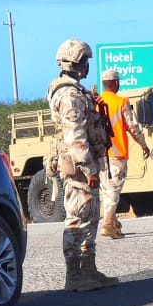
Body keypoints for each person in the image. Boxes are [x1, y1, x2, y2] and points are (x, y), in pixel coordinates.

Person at [48, 39, 117, 291]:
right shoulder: (69, 95)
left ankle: (89, 270)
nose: (87, 65)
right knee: (77, 218)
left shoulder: (77, 91)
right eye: (85, 61)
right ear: (75, 63)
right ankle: (74, 276)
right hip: (79, 167)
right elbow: (75, 134)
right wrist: (88, 168)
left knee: (90, 216)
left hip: (86, 163)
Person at [96, 68, 152, 240]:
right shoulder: (121, 102)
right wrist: (144, 145)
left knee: (106, 189)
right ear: (116, 83)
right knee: (114, 189)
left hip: (98, 154)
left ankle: (113, 225)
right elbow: (133, 127)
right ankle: (108, 224)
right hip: (116, 152)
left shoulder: (95, 102)